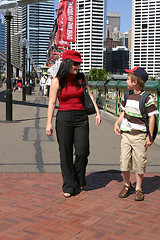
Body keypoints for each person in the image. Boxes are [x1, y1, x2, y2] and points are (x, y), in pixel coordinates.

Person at [46, 49, 101, 198]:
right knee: (66, 153)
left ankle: (78, 178)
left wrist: (97, 111)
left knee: (83, 151)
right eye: (75, 64)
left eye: (79, 64)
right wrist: (48, 123)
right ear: (67, 63)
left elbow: (89, 93)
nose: (78, 66)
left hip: (81, 117)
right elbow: (52, 103)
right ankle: (69, 185)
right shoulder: (57, 81)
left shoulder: (81, 78)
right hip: (64, 118)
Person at [114, 67, 159, 201]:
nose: (126, 81)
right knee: (124, 161)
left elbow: (152, 117)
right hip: (126, 134)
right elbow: (124, 112)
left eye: (128, 79)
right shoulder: (126, 95)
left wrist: (149, 136)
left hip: (140, 135)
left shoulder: (147, 98)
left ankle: (139, 187)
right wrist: (117, 123)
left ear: (135, 82)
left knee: (140, 162)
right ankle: (127, 185)